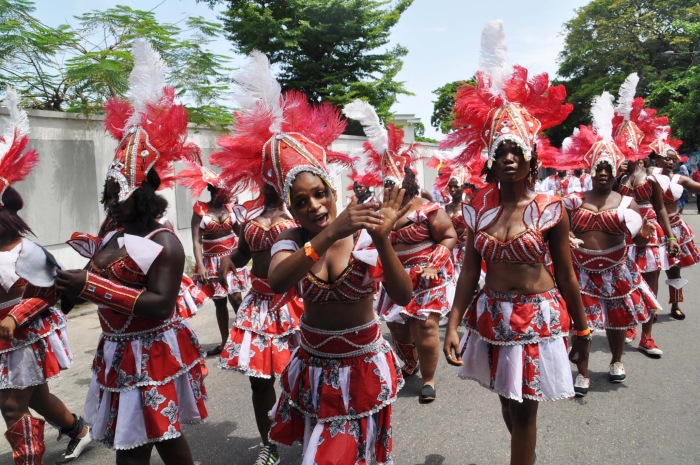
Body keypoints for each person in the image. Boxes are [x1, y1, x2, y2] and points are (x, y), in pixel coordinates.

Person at [441, 21, 590, 465]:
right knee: (507, 402)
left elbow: (565, 273)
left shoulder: (550, 207)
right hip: (492, 315)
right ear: (490, 159)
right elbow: (469, 270)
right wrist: (454, 322)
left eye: (516, 151)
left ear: (530, 159)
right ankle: (526, 455)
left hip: (537, 318)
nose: (508, 158)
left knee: (525, 413)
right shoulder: (476, 208)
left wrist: (582, 328)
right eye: (500, 151)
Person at [55, 40, 207, 464]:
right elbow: (85, 281)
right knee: (133, 445)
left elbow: (159, 305)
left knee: (160, 439)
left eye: (117, 193)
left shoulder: (165, 243)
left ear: (140, 195)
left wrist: (93, 287)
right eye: (109, 194)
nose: (110, 202)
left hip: (152, 353)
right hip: (116, 352)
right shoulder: (111, 232)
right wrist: (58, 291)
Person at [202, 54, 305, 465]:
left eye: (275, 171)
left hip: (298, 304)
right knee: (260, 381)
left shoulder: (303, 217)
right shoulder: (249, 218)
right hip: (260, 306)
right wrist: (228, 261)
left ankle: (310, 432)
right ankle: (270, 445)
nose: (269, 178)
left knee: (301, 378)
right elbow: (243, 253)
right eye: (264, 171)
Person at [0, 88, 91, 464]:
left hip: (24, 335)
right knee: (34, 396)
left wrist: (15, 314)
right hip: (5, 339)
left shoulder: (28, 251)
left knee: (11, 406)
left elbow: (52, 294)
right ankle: (77, 429)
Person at [344, 100, 457, 403]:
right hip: (395, 278)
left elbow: (448, 236)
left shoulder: (428, 208)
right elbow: (364, 244)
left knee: (425, 328)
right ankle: (409, 362)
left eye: (397, 186)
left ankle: (429, 379)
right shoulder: (378, 211)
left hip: (427, 277)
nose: (392, 192)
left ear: (409, 183)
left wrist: (434, 264)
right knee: (397, 326)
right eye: (387, 187)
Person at [559, 91, 660, 395]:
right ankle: (583, 372)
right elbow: (554, 225)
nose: (602, 173)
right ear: (590, 170)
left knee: (617, 320)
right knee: (582, 323)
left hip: (618, 268)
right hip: (582, 269)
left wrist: (645, 233)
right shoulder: (574, 200)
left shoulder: (627, 202)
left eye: (607, 168)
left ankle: (617, 361)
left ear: (615, 170)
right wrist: (567, 236)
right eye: (597, 168)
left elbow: (642, 235)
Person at [612, 73, 680, 354]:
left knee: (650, 285)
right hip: (623, 236)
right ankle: (629, 323)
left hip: (651, 235)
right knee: (627, 284)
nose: (627, 156)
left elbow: (661, 207)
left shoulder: (649, 179)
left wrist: (671, 236)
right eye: (622, 151)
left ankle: (646, 336)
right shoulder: (614, 178)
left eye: (631, 151)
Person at [188, 161, 246, 356]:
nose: (228, 193)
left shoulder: (231, 209)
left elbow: (241, 234)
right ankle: (225, 342)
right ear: (215, 191)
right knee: (220, 302)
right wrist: (200, 266)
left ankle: (245, 340)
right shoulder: (200, 210)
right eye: (225, 190)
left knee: (237, 299)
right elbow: (197, 241)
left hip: (231, 260)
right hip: (211, 262)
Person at [650, 138, 700, 320]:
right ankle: (651, 308)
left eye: (674, 159)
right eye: (667, 158)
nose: (671, 162)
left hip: (676, 228)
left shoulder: (680, 179)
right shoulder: (650, 176)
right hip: (655, 228)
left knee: (674, 268)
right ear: (658, 160)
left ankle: (675, 305)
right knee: (652, 270)